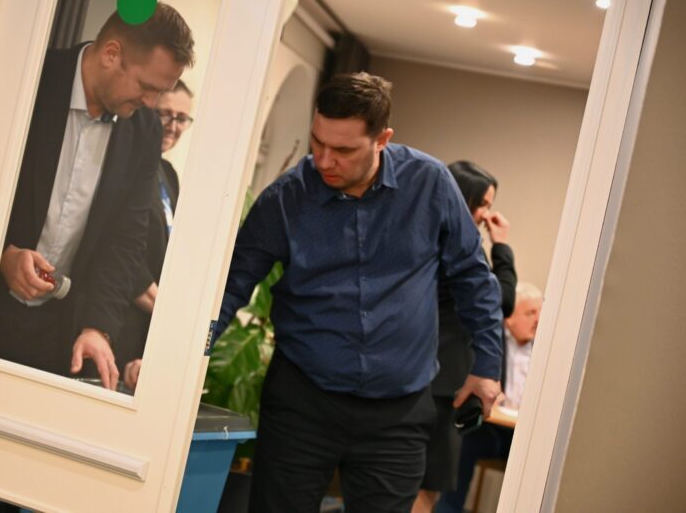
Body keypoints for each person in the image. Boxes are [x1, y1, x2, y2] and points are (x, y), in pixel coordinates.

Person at [215, 72, 504, 512]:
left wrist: (487, 365)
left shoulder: (429, 184)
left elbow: (473, 276)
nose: (324, 160)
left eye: (344, 150)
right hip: (303, 403)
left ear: (382, 139)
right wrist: (183, 361)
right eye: (317, 142)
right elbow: (232, 285)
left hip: (398, 414)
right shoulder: (286, 198)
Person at [0, 5, 195, 390]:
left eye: (160, 92)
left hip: (59, 335)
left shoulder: (144, 130)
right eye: (146, 86)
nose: (151, 103)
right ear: (111, 54)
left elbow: (125, 240)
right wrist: (1, 255)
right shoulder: (31, 76)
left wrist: (98, 328)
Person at [414, 161, 517, 513]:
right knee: (425, 486)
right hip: (442, 384)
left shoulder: (424, 234)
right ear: (463, 198)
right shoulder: (458, 245)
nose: (487, 214)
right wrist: (501, 247)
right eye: (483, 204)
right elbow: (502, 301)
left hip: (424, 374)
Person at [435, 282, 543, 513]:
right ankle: (448, 509)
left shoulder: (545, 350)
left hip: (526, 435)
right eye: (530, 313)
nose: (538, 320)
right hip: (491, 430)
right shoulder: (490, 344)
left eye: (540, 313)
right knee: (464, 442)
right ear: (509, 317)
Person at [119, 80, 195, 388]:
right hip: (118, 316)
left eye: (182, 118)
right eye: (165, 114)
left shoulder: (169, 174)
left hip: (146, 327)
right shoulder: (127, 162)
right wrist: (169, 315)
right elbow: (120, 248)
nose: (173, 126)